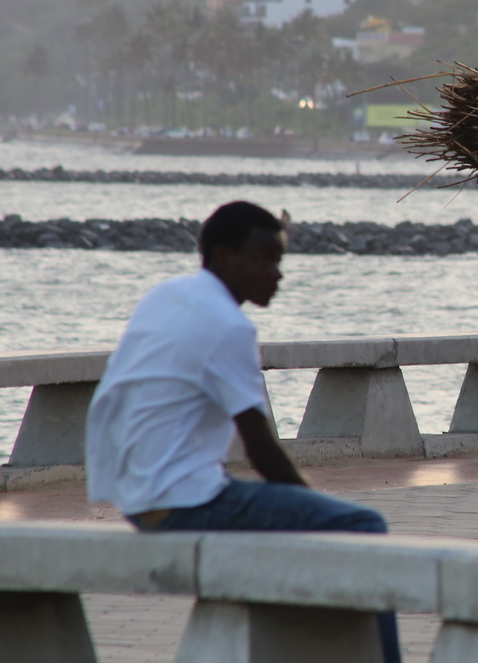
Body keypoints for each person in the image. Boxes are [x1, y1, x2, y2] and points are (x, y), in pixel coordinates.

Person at [85, 201, 401, 662]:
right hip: (183, 503)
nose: (276, 275)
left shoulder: (166, 296)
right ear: (222, 256)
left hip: (137, 496)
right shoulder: (229, 326)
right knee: (363, 526)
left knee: (295, 516)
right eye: (264, 260)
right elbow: (261, 450)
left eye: (279, 261)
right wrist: (313, 506)